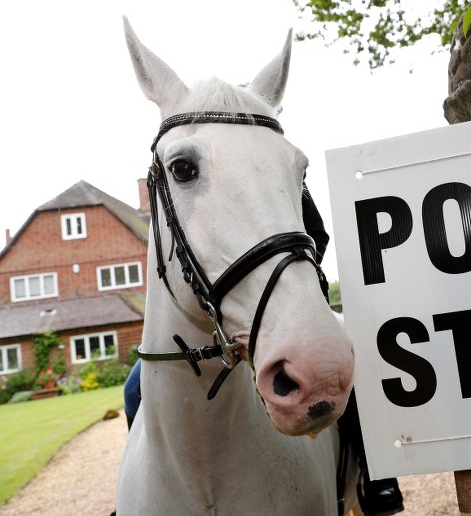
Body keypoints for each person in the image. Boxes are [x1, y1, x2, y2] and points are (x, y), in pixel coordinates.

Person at [123, 184, 403, 516]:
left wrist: (290, 276)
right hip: (216, 313)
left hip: (284, 301)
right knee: (134, 388)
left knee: (347, 357)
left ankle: (376, 475)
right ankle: (150, 479)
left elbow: (317, 234)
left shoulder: (276, 171)